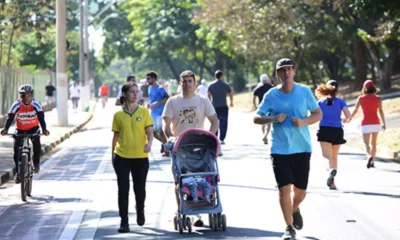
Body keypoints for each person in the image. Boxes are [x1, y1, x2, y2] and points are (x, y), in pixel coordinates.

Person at [253, 58, 322, 240]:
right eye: (282, 70)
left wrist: (304, 121)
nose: (286, 73)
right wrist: (274, 118)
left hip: (302, 148)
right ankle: (289, 227)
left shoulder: (304, 91)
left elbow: (318, 113)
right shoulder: (271, 95)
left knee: (300, 191)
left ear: (293, 71)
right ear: (277, 74)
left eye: (289, 69)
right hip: (280, 150)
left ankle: (295, 208)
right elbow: (257, 117)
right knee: (284, 189)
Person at [162, 70, 219, 227]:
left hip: (199, 147)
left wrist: (210, 137)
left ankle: (202, 210)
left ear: (195, 84)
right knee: (179, 181)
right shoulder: (173, 102)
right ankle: (181, 208)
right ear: (180, 84)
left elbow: (214, 121)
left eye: (189, 81)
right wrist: (170, 138)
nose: (187, 84)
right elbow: (165, 124)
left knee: (206, 177)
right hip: (179, 148)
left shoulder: (203, 100)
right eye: (184, 81)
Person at [111, 82, 154, 233]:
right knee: (123, 190)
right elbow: (115, 137)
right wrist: (113, 156)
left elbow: (149, 131)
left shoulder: (143, 112)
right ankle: (124, 221)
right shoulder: (118, 115)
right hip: (122, 157)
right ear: (124, 94)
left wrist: (149, 143)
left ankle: (140, 210)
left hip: (140, 157)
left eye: (137, 92)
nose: (135, 94)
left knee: (139, 188)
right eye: (132, 92)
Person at [1, 84, 50, 183]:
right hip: (20, 129)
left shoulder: (36, 104)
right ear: (20, 96)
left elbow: (41, 118)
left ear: (32, 95)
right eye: (23, 95)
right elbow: (10, 118)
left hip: (33, 129)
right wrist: (5, 129)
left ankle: (36, 163)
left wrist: (44, 129)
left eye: (28, 95)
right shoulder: (16, 105)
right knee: (16, 149)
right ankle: (18, 172)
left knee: (37, 144)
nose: (26, 98)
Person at [315, 80, 351, 190]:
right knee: (334, 157)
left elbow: (314, 115)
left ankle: (330, 172)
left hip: (324, 129)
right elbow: (348, 115)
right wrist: (345, 119)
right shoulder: (341, 102)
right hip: (337, 130)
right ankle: (332, 181)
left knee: (327, 157)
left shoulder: (320, 102)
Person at [349, 80, 386, 168]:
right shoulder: (378, 98)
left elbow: (355, 110)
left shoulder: (361, 98)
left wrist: (349, 118)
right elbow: (381, 111)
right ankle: (372, 161)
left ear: (364, 88)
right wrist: (384, 123)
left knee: (366, 144)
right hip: (376, 123)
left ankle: (368, 156)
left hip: (365, 123)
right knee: (374, 143)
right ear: (373, 87)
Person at [147, 71, 169, 157]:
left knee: (160, 131)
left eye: (148, 78)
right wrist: (149, 103)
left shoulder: (160, 88)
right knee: (153, 133)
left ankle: (167, 150)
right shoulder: (149, 88)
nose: (147, 80)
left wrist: (156, 103)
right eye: (147, 78)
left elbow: (167, 99)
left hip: (160, 113)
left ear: (154, 79)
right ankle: (165, 144)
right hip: (152, 113)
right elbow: (152, 98)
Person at [208, 70, 233, 144]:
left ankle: (215, 137)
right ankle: (222, 138)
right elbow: (230, 93)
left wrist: (209, 103)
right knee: (223, 122)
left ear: (215, 76)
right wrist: (231, 102)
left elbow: (208, 94)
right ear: (221, 76)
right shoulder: (225, 85)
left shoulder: (211, 85)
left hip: (214, 106)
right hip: (223, 106)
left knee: (214, 122)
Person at [253, 74, 274, 144]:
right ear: (267, 79)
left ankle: (264, 135)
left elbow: (254, 99)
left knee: (263, 123)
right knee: (269, 123)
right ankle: (265, 135)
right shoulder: (272, 88)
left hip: (262, 108)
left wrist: (255, 106)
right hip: (271, 107)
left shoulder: (258, 88)